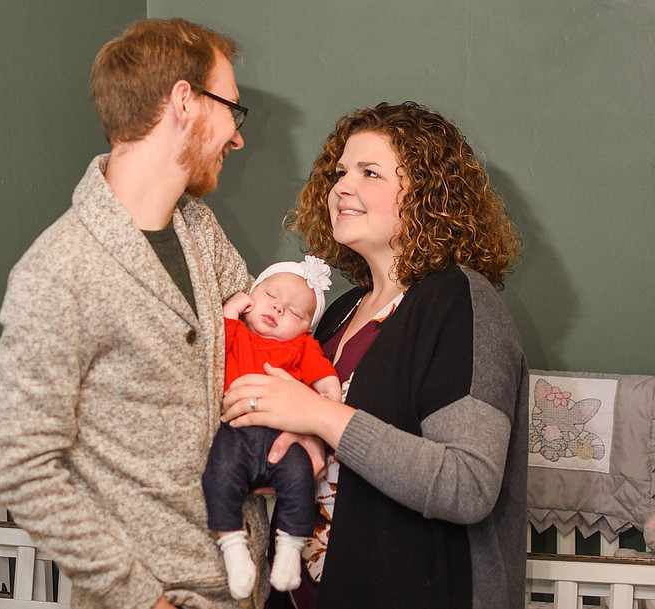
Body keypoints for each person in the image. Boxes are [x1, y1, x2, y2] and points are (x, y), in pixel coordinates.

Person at [0, 18, 318, 609]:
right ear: (185, 103)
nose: (237, 139)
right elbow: (22, 467)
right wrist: (142, 598)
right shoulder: (59, 271)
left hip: (244, 586)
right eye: (231, 111)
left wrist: (303, 428)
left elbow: (265, 355)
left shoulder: (199, 230)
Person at [222, 101, 529, 609]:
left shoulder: (461, 303)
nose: (342, 187)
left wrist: (320, 414)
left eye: (370, 173)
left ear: (429, 195)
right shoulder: (340, 312)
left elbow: (467, 484)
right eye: (340, 172)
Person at [202, 256, 340, 601]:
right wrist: (232, 307)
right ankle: (233, 548)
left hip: (283, 434)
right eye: (270, 295)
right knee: (217, 476)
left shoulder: (302, 346)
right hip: (235, 430)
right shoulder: (238, 333)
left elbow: (322, 374)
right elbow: (215, 337)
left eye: (295, 313)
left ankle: (289, 550)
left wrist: (328, 393)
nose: (278, 309)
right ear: (251, 295)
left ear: (307, 328)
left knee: (299, 482)